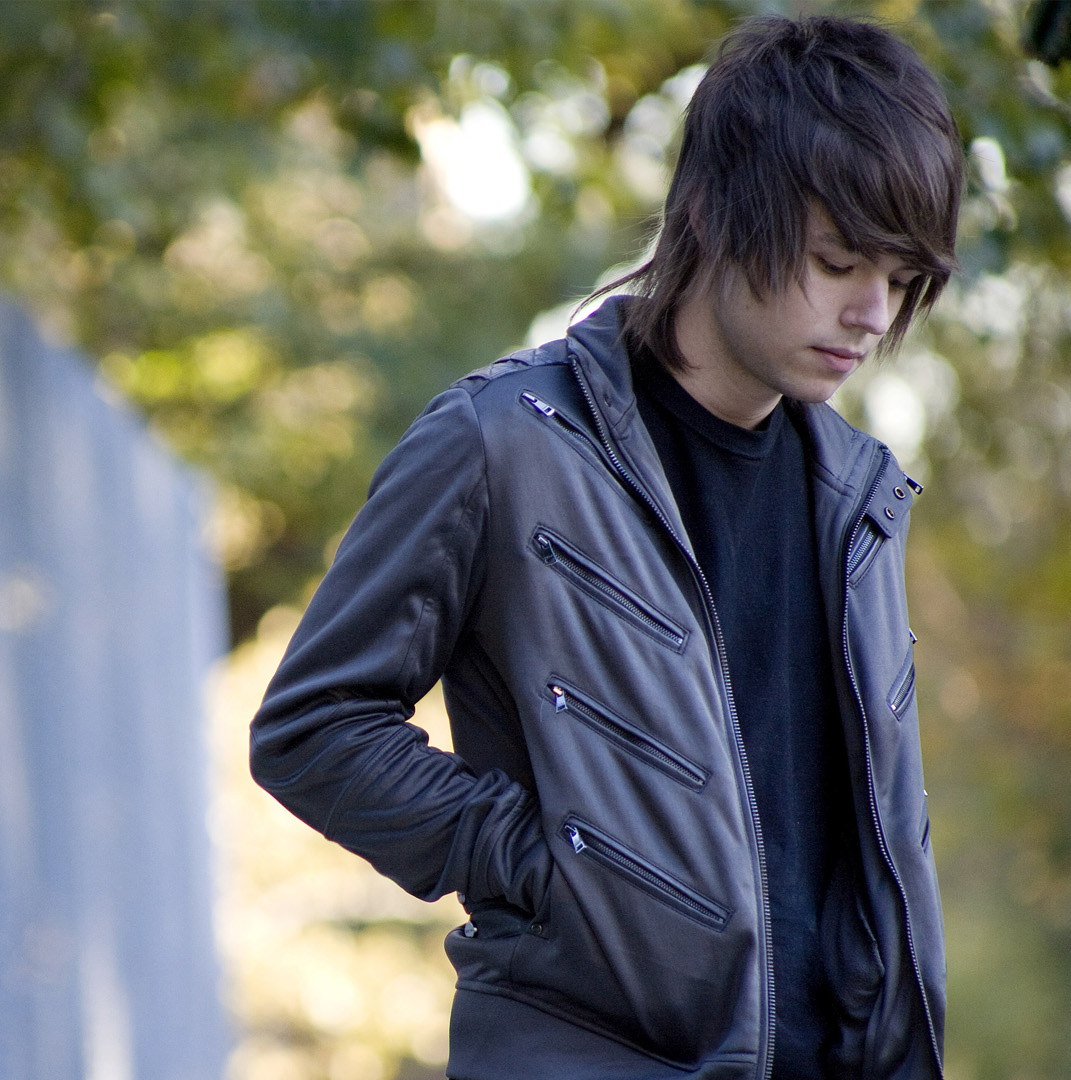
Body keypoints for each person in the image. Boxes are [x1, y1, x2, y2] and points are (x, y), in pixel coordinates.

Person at [249, 14, 962, 1080]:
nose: (871, 311)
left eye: (901, 279)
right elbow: (313, 726)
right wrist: (545, 871)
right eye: (837, 261)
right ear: (713, 210)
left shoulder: (859, 499)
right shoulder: (503, 443)